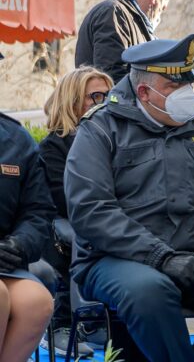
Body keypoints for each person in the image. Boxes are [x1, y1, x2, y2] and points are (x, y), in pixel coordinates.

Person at [64, 35, 194, 361]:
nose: (187, 94)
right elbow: (91, 210)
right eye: (174, 87)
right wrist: (161, 258)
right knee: (150, 292)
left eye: (189, 83)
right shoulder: (102, 128)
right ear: (144, 92)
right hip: (118, 258)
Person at [38, 67, 114, 357]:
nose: (104, 102)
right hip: (71, 224)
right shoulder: (54, 146)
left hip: (110, 220)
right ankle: (62, 323)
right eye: (95, 96)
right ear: (71, 102)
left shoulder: (118, 139)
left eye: (109, 96)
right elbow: (63, 198)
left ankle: (101, 321)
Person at [0, 50, 56, 361]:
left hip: (3, 260)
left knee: (38, 302)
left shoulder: (16, 139)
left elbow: (38, 211)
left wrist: (20, 245)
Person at [75, 0, 175, 83]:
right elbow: (112, 75)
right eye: (162, 9)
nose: (160, 16)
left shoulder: (125, 17)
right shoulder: (113, 12)